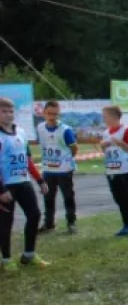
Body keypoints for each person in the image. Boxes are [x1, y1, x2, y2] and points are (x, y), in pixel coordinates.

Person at [0, 96, 50, 270]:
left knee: (34, 215)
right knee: (6, 222)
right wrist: (1, 190)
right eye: (4, 111)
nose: (8, 114)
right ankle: (6, 259)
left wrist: (39, 179)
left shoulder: (20, 131)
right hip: (6, 185)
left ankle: (29, 254)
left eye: (11, 111)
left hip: (23, 181)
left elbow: (27, 159)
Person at [36, 100, 79, 234]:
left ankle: (71, 222)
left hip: (64, 170)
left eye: (55, 114)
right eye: (49, 113)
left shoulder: (65, 130)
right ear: (44, 113)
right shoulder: (40, 128)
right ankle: (49, 223)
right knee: (48, 197)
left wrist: (66, 161)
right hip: (48, 169)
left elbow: (74, 148)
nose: (52, 117)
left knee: (68, 197)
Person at [100, 105, 128, 236]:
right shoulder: (106, 132)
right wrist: (103, 146)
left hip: (124, 170)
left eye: (105, 116)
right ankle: (126, 225)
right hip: (111, 169)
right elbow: (106, 150)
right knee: (119, 199)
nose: (104, 119)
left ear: (114, 116)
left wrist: (120, 143)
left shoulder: (126, 130)